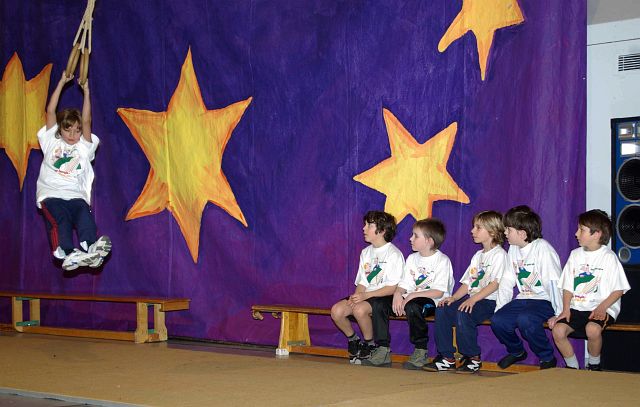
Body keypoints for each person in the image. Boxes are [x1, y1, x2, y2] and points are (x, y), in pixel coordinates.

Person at [36, 72, 111, 271]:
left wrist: (86, 92)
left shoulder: (83, 148)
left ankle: (90, 247)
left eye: (77, 131)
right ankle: (67, 252)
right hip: (52, 195)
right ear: (60, 129)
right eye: (68, 129)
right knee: (61, 220)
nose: (72, 134)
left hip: (75, 196)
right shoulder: (51, 141)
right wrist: (62, 82)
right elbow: (50, 111)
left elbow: (86, 121)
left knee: (85, 216)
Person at [424, 210, 509, 373]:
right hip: (474, 299)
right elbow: (468, 282)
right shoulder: (478, 255)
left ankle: (473, 357)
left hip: (490, 301)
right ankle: (447, 357)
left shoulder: (500, 255)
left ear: (492, 232)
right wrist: (453, 298)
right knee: (442, 309)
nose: (472, 231)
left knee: (464, 313)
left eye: (478, 228)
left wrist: (472, 300)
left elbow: (495, 284)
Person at [366, 218, 454, 369]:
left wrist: (412, 296)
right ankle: (383, 348)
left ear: (429, 241)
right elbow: (404, 284)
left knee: (413, 307)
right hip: (410, 299)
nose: (410, 238)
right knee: (379, 303)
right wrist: (397, 294)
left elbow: (438, 291)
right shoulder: (412, 258)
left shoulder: (442, 260)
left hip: (433, 301)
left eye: (415, 236)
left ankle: (421, 350)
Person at [549, 210, 631, 371]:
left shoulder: (609, 257)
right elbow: (567, 287)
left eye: (581, 230)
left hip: (601, 308)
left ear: (596, 234)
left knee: (592, 329)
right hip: (576, 307)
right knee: (558, 330)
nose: (576, 234)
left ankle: (594, 364)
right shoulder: (575, 255)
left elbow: (619, 289)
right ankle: (573, 367)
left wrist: (602, 307)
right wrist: (565, 309)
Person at [491, 205, 562, 369]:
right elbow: (507, 280)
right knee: (498, 321)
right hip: (524, 299)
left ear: (522, 234)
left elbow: (553, 283)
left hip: (544, 300)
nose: (505, 233)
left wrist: (559, 313)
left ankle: (547, 357)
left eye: (508, 229)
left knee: (526, 320)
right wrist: (501, 308)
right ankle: (517, 351)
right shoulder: (513, 249)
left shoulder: (543, 249)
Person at [330, 211, 404, 364]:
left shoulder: (394, 254)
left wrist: (364, 297)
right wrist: (356, 297)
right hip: (367, 295)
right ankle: (354, 340)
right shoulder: (365, 252)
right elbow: (362, 282)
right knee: (337, 311)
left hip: (385, 296)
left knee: (359, 309)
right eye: (365, 224)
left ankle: (370, 344)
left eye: (369, 225)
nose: (364, 228)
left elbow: (393, 287)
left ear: (382, 231)